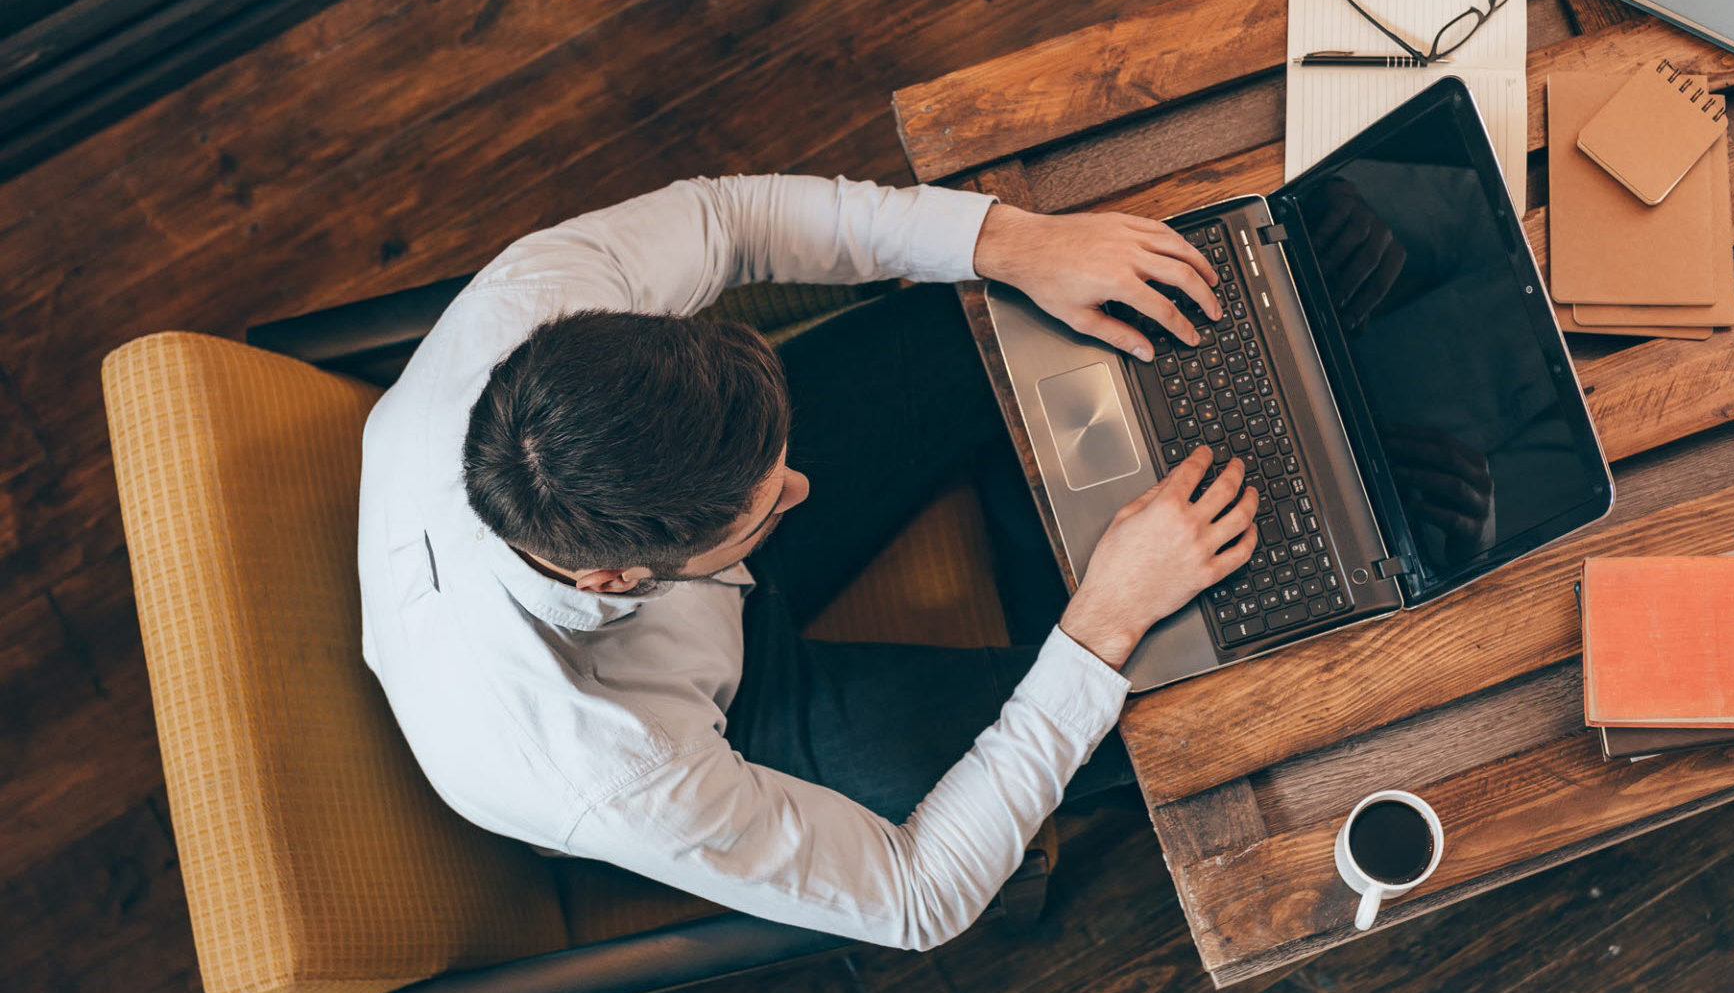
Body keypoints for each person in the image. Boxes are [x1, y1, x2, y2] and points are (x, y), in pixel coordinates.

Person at [358, 174, 1259, 951]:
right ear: (616, 580)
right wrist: (1104, 623)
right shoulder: (619, 771)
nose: (803, 490)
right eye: (767, 506)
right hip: (728, 722)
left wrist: (1011, 240)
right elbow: (919, 896)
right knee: (1174, 701)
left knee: (993, 311)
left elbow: (726, 220)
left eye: (780, 463)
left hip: (671, 534)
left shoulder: (537, 304)